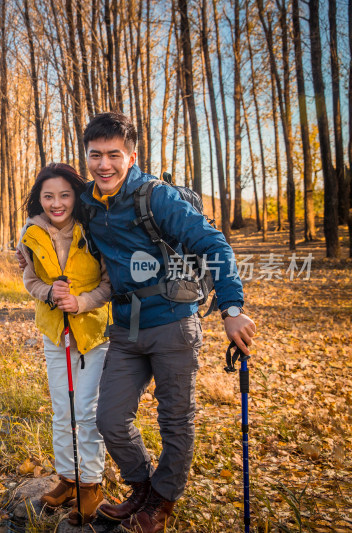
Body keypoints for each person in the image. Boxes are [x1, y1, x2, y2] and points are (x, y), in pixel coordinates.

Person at [79, 112, 256, 533]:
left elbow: (214, 244)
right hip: (124, 328)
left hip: (174, 324)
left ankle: (162, 501)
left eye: (114, 155)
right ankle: (142, 487)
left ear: (131, 156)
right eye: (95, 155)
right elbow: (55, 218)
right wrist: (26, 250)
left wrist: (231, 309)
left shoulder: (154, 196)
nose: (104, 164)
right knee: (109, 419)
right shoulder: (88, 200)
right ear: (86, 155)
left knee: (175, 419)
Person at [17, 163, 112, 525]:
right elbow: (30, 279)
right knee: (62, 410)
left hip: (92, 333)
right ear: (39, 199)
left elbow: (110, 283)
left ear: (76, 195)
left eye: (65, 195)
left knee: (87, 412)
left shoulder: (96, 228)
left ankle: (91, 484)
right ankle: (68, 478)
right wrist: (50, 295)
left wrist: (81, 302)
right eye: (48, 196)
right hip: (55, 332)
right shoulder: (31, 232)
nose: (57, 203)